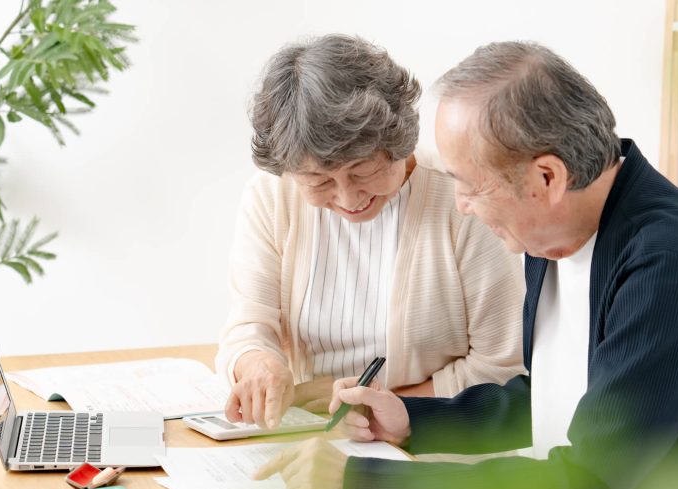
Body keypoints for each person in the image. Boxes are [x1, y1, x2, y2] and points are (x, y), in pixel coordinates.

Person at [255, 41, 678, 489]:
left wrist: (363, 487)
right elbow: (558, 396)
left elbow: (589, 487)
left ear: (546, 176)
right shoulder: (557, 232)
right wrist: (413, 419)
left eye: (470, 185)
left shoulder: (668, 265)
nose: (462, 205)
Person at [217, 34, 525, 429]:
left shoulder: (461, 201)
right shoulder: (271, 196)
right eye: (318, 181)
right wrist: (260, 365)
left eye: (362, 170)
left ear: (397, 141)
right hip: (302, 434)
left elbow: (502, 368)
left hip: (431, 449)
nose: (348, 197)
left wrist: (387, 409)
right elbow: (249, 324)